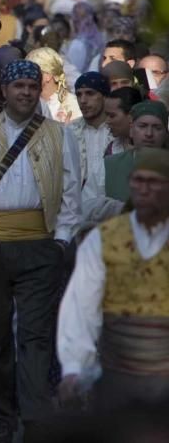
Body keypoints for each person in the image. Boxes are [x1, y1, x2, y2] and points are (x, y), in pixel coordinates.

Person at [0, 59, 82, 443]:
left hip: (40, 245)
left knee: (36, 336)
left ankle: (36, 419)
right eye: (18, 86)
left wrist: (62, 240)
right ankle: (2, 419)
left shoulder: (61, 135)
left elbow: (71, 192)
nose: (25, 92)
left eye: (31, 85)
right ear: (4, 91)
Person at [57, 148, 169, 411]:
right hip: (117, 369)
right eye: (138, 181)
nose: (144, 189)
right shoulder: (103, 239)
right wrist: (74, 366)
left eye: (153, 182)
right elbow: (81, 303)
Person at [82, 101, 169, 227]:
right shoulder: (108, 166)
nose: (149, 134)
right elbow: (85, 206)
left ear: (166, 134)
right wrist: (116, 208)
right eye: (143, 126)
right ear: (132, 130)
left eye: (157, 128)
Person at [69, 72, 112, 192]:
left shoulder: (118, 130)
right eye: (78, 95)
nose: (83, 100)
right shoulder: (69, 131)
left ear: (105, 96)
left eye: (90, 93)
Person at [27, 46, 81, 124]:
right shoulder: (28, 100)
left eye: (30, 72)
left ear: (47, 76)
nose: (24, 76)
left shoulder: (73, 107)